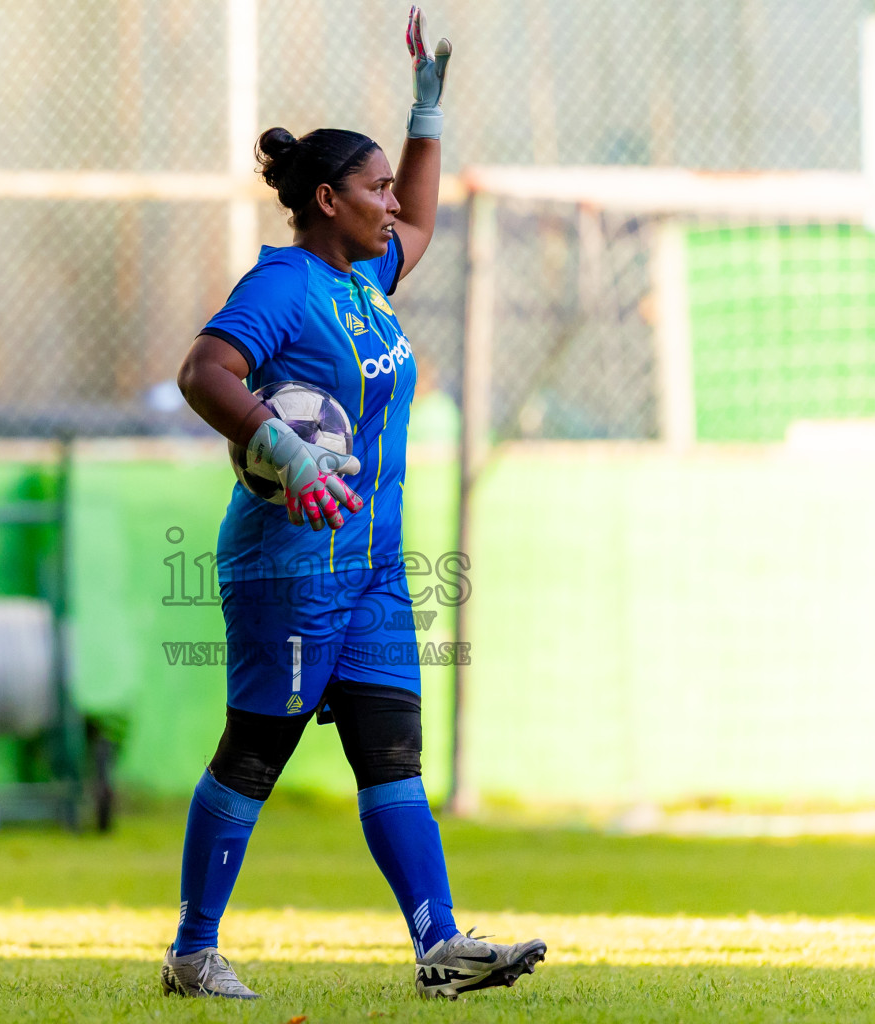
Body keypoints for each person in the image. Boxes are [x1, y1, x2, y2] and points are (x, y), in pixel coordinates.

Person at [167, 8, 546, 1001]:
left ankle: (440, 944)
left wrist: (426, 112)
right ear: (327, 200)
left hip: (373, 566)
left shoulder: (365, 279)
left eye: (388, 185)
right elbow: (204, 369)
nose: (391, 204)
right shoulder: (285, 285)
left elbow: (417, 225)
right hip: (286, 568)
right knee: (254, 753)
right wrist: (279, 449)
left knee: (393, 752)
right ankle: (193, 949)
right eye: (373, 188)